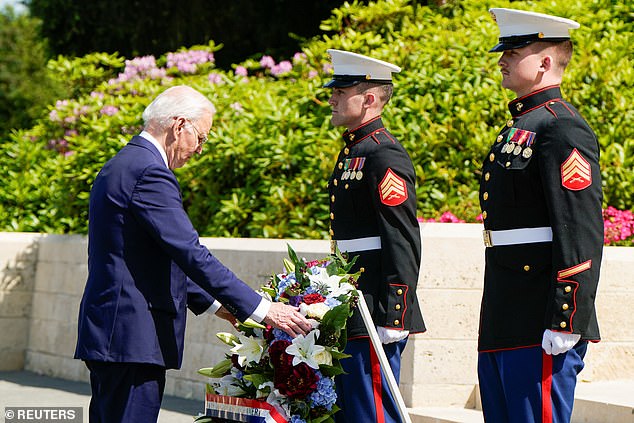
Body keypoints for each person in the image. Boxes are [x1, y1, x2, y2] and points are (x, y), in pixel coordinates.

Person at [74, 85, 312, 423]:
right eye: (200, 138)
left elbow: (155, 256)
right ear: (179, 125)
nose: (199, 149)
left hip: (118, 334)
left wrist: (221, 307)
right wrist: (262, 308)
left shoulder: (124, 163)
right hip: (131, 336)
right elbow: (190, 252)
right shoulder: (149, 171)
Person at [477, 9, 604, 423]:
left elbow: (579, 228)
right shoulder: (520, 126)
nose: (502, 60)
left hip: (540, 313)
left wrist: (566, 317)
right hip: (506, 308)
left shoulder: (561, 128)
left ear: (546, 61)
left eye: (513, 52)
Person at [323, 49, 426, 423]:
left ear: (369, 99)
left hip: (372, 305)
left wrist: (395, 312)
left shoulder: (384, 155)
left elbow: (401, 238)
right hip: (350, 299)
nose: (332, 96)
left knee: (372, 412)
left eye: (342, 90)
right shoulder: (355, 150)